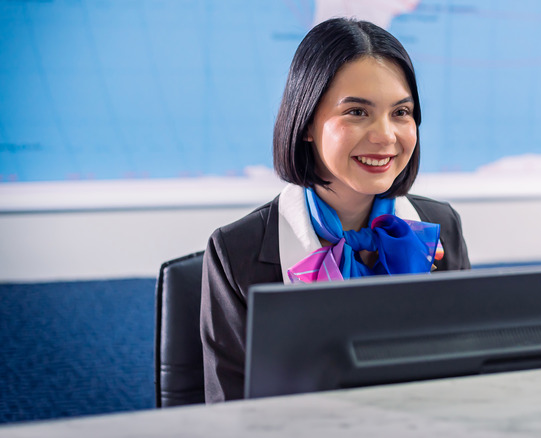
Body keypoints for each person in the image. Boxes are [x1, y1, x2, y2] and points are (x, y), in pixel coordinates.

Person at [200, 17, 471, 403]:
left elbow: (466, 384)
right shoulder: (237, 251)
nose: (385, 136)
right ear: (307, 123)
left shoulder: (439, 227)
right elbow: (230, 414)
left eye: (401, 112)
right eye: (357, 112)